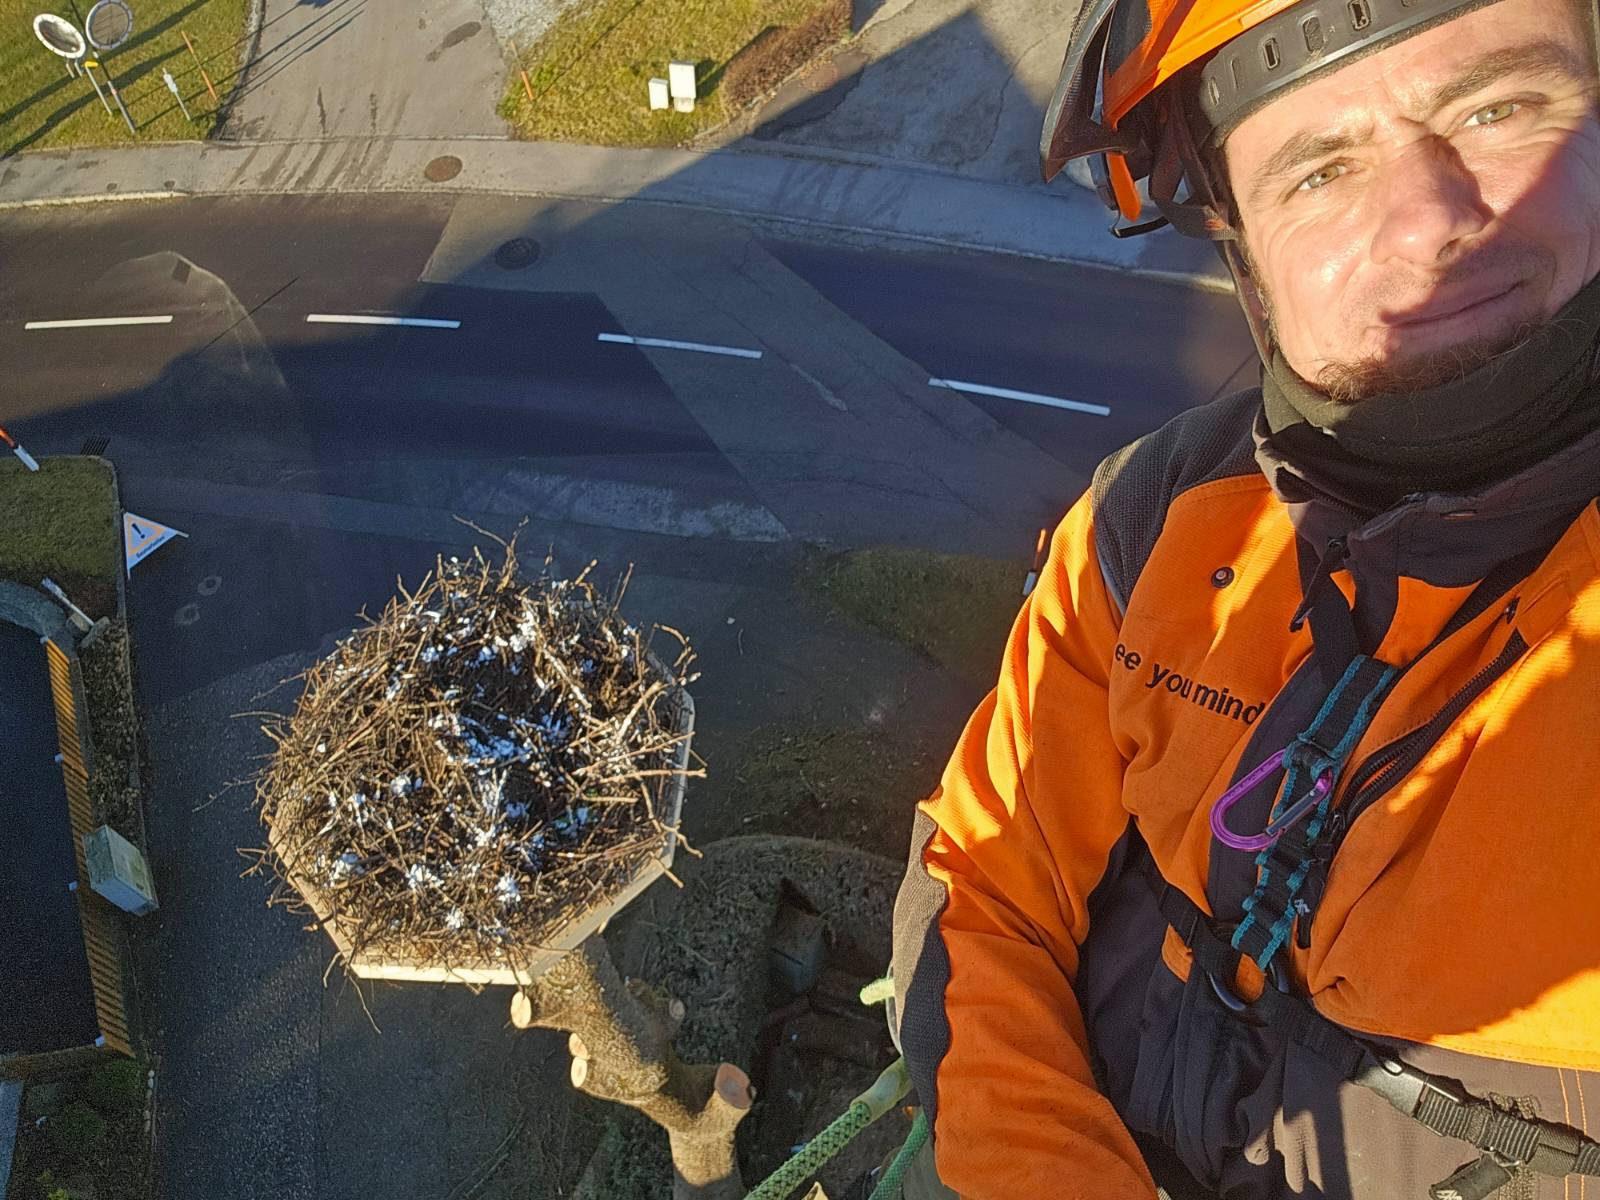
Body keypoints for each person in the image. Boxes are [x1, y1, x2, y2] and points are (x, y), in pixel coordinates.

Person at [889, 0, 1600, 1196]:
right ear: (1243, 249)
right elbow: (983, 876)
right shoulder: (1160, 507)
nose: (1427, 221)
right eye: (1319, 171)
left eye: (1498, 108)